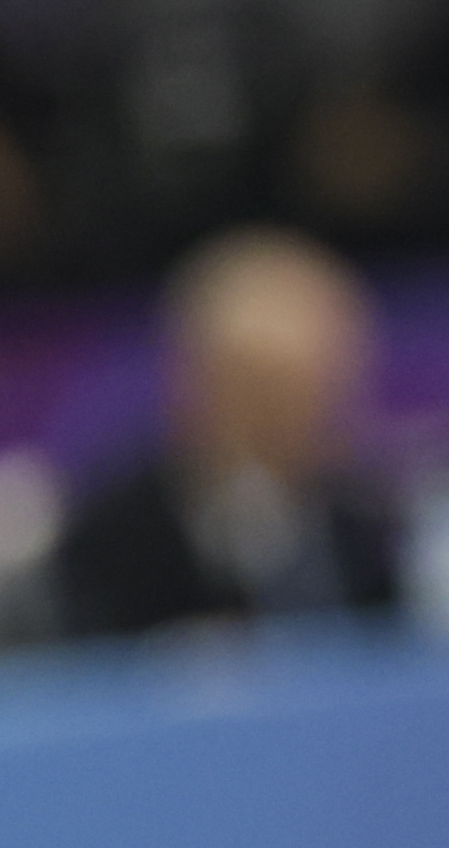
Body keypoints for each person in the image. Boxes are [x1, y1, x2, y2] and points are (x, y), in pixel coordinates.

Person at [59, 225, 398, 634]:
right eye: (257, 391)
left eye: (305, 392)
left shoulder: (370, 526)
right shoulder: (114, 535)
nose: (276, 423)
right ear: (195, 382)